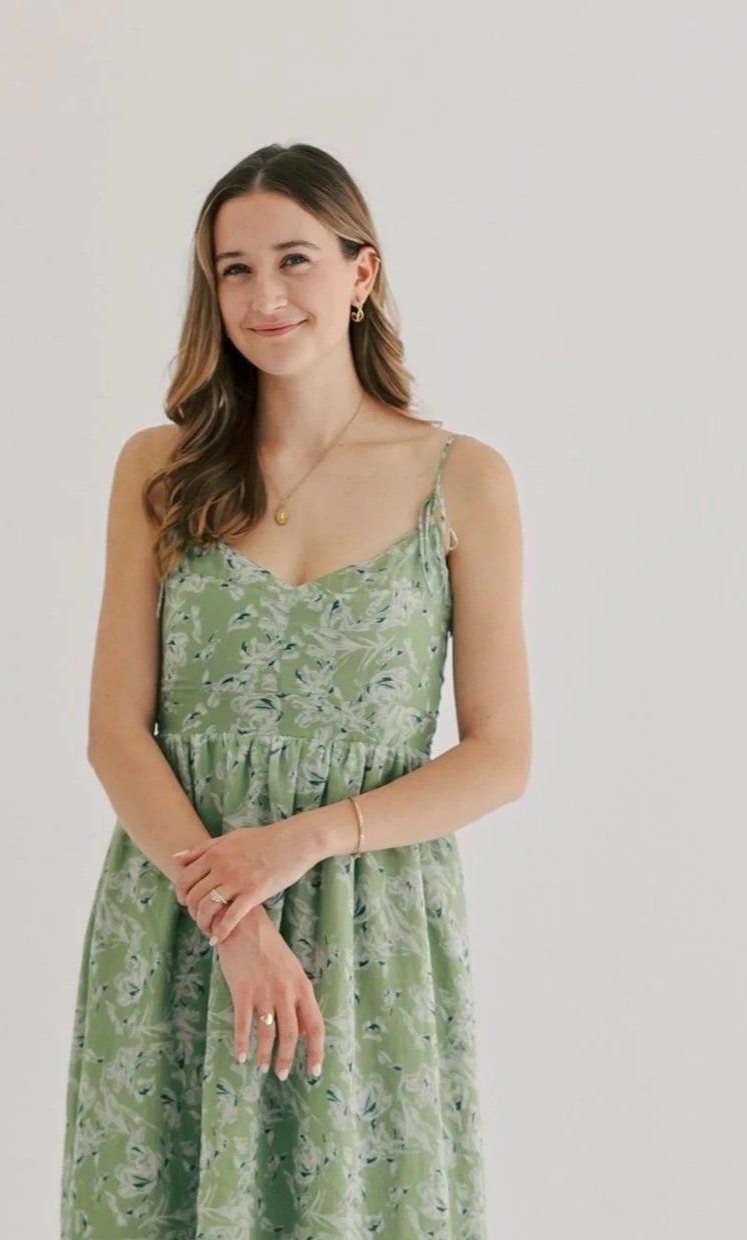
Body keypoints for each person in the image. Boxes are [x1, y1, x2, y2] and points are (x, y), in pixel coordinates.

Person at [59, 141, 531, 1239]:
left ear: (362, 273)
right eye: (235, 269)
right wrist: (234, 921)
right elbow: (116, 733)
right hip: (179, 916)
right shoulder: (160, 470)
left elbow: (501, 755)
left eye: (295, 260)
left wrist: (303, 841)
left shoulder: (462, 479)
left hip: (372, 933)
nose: (264, 295)